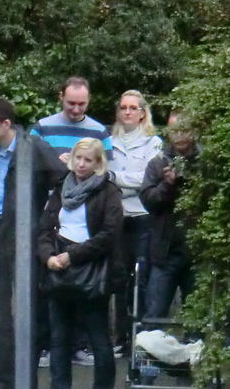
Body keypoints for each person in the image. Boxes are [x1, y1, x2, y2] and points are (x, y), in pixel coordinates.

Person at [0, 97, 65, 389]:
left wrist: (45, 218)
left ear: (6, 124)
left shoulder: (33, 148)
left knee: (28, 312)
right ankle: (5, 379)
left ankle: (25, 380)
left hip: (24, 238)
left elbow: (63, 180)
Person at [31, 76, 112, 367]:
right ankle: (44, 345)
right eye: (71, 103)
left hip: (87, 217)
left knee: (83, 286)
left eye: (82, 104)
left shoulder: (99, 131)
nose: (77, 110)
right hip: (52, 211)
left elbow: (108, 172)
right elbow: (29, 167)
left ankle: (79, 345)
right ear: (60, 97)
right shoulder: (42, 127)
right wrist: (57, 163)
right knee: (49, 284)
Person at [37, 138, 122, 389]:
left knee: (98, 338)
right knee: (59, 338)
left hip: (91, 270)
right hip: (58, 269)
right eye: (78, 158)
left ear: (98, 163)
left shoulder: (109, 190)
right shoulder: (61, 186)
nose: (81, 164)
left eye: (88, 160)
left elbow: (109, 233)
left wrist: (73, 255)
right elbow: (44, 229)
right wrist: (48, 256)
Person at [109, 90, 162, 356]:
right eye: (123, 107)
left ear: (143, 112)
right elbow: (102, 178)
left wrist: (116, 177)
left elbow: (147, 180)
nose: (128, 112)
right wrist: (127, 180)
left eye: (133, 107)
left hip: (143, 218)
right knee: (120, 279)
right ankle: (120, 337)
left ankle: (141, 339)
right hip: (118, 218)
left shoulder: (155, 143)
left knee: (142, 279)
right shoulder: (109, 142)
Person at [140, 113, 199, 319]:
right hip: (165, 252)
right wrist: (167, 184)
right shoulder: (157, 164)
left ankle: (195, 349)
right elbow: (148, 202)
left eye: (185, 130)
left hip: (197, 253)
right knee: (154, 315)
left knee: (196, 318)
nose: (180, 136)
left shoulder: (206, 164)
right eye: (175, 131)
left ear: (194, 131)